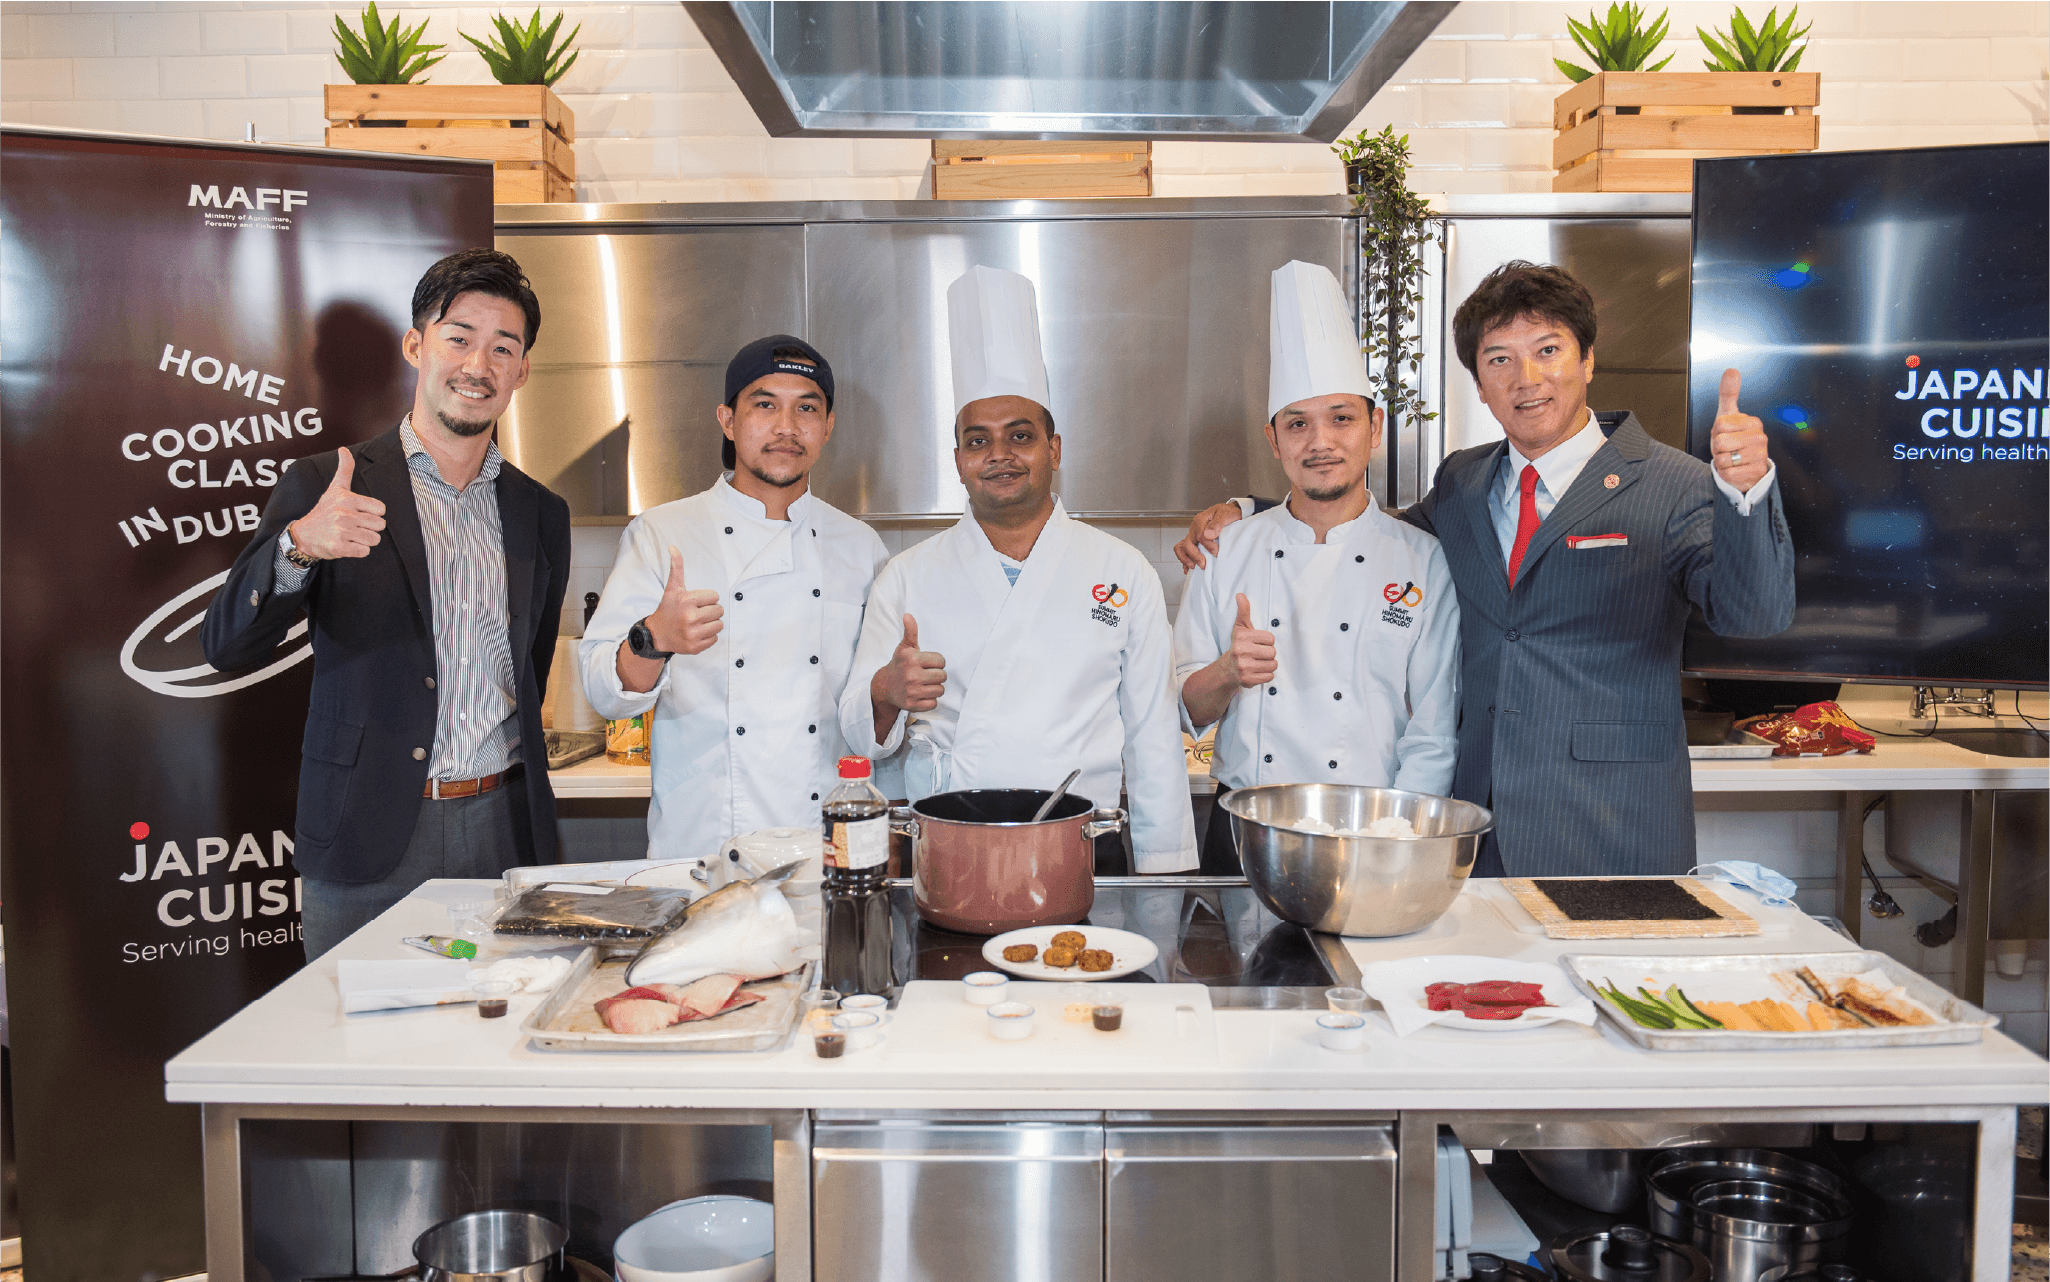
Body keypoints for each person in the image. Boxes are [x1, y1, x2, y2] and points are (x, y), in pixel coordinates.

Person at [1175, 261, 1794, 877]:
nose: (1527, 379)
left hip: (1614, 824)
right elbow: (1363, 532)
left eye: (1547, 350)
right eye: (1500, 359)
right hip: (1479, 829)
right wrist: (1250, 514)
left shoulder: (1673, 483)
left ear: (1588, 360)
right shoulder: (1464, 481)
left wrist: (1745, 493)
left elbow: (1755, 616)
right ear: (1479, 383)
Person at [203, 248, 572, 957]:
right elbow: (225, 645)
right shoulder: (328, 486)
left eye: (504, 348)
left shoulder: (540, 513)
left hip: (505, 833)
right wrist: (298, 547)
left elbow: (530, 666)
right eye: (458, 338)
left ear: (522, 371)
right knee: (356, 1027)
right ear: (415, 346)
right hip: (367, 833)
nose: (479, 365)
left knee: (499, 1024)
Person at [840, 265, 1198, 874]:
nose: (999, 455)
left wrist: (1165, 872)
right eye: (978, 441)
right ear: (959, 459)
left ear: (1054, 449)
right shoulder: (905, 576)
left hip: (1083, 849)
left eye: (1021, 436)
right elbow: (858, 732)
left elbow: (1154, 738)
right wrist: (886, 692)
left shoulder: (1123, 571)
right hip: (951, 848)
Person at [1174, 262, 1459, 873]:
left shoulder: (1423, 560)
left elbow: (1433, 736)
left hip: (1372, 829)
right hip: (1243, 828)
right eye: (1298, 424)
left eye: (1341, 418)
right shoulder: (1224, 550)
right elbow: (1185, 710)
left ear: (1375, 427)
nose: (1320, 442)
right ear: (1274, 440)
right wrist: (1226, 672)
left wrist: (1397, 843)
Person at [578, 336, 888, 861]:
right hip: (704, 847)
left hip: (824, 851)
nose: (786, 427)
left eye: (806, 408)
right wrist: (654, 640)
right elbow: (604, 692)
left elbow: (867, 716)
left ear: (828, 427)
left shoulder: (862, 548)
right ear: (727, 420)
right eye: (765, 405)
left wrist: (894, 690)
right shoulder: (663, 533)